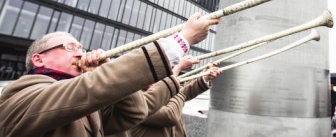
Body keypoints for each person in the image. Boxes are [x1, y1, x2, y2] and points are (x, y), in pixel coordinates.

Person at [0, 12, 219, 136]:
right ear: (39, 58)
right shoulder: (22, 91)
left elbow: (133, 112)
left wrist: (104, 69)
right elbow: (87, 90)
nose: (80, 53)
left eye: (81, 48)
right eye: (70, 47)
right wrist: (180, 41)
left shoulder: (87, 101)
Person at [130, 61, 222, 137]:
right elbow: (169, 115)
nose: (158, 79)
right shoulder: (135, 100)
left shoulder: (159, 91)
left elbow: (184, 93)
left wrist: (205, 76)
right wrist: (173, 85)